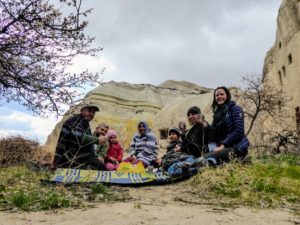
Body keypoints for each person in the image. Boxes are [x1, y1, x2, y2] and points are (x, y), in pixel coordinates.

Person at [203, 86, 250, 165]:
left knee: (207, 159)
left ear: (227, 96)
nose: (219, 97)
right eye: (217, 95)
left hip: (237, 147)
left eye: (222, 94)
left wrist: (223, 145)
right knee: (204, 158)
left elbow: (238, 131)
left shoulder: (235, 109)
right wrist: (204, 125)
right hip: (222, 148)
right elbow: (212, 132)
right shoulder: (216, 116)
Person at [53, 104, 106, 170]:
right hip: (70, 157)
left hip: (80, 156)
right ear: (82, 110)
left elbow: (90, 146)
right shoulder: (75, 120)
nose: (91, 114)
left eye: (93, 113)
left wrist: (96, 156)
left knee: (100, 166)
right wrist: (97, 140)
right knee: (97, 168)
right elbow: (78, 137)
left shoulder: (85, 123)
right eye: (89, 111)